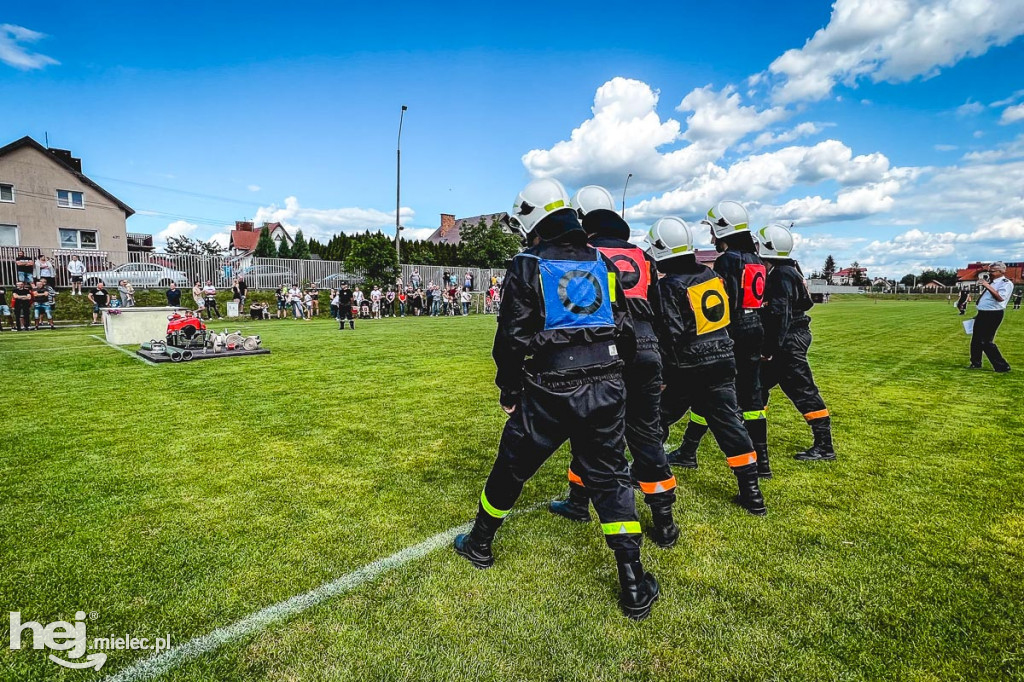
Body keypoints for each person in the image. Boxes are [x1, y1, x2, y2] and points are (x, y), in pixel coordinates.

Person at [453, 178, 659, 621]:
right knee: (610, 478)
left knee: (513, 464)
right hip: (606, 385)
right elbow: (623, 327)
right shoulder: (603, 262)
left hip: (549, 387)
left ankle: (480, 542)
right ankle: (633, 579)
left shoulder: (527, 263)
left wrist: (509, 388)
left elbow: (511, 335)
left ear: (531, 219)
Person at [548, 186, 679, 548]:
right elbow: (662, 314)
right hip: (649, 351)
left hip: (607, 353)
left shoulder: (584, 254)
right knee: (647, 435)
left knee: (589, 433)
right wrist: (664, 364)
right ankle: (664, 520)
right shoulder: (643, 257)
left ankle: (578, 502)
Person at [645, 216, 767, 515]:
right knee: (731, 426)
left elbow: (670, 334)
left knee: (654, 421)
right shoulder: (710, 275)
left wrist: (662, 374)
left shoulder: (668, 286)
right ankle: (752, 493)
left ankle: (649, 472)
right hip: (723, 359)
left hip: (687, 365)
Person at [667, 201, 769, 478]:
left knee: (713, 396)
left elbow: (722, 300)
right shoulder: (756, 258)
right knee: (751, 400)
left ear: (724, 228)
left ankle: (688, 451)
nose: (711, 236)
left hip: (731, 332)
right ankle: (762, 462)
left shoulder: (728, 260)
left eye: (713, 230)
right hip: (755, 328)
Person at [755, 224, 836, 462]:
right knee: (757, 388)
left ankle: (825, 445)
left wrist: (769, 349)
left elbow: (780, 314)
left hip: (787, 340)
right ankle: (754, 434)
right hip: (788, 337)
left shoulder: (781, 274)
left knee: (803, 390)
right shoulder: (789, 270)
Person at [969, 262, 1013, 373]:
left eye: (992, 271)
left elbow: (1000, 298)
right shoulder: (992, 282)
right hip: (983, 313)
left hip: (993, 314)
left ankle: (1002, 366)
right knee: (976, 340)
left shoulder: (1005, 283)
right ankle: (976, 362)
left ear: (1002, 271)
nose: (990, 273)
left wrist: (987, 286)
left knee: (986, 341)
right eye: (989, 271)